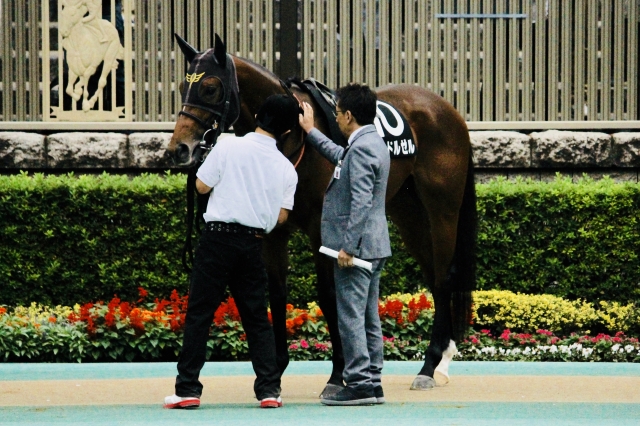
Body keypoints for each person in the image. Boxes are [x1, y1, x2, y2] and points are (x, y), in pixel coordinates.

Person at [164, 94, 299, 409]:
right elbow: (281, 217)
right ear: (288, 132)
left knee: (200, 314)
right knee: (256, 318)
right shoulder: (286, 168)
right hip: (253, 242)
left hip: (217, 239)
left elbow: (201, 186)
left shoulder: (226, 145)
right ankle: (269, 390)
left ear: (258, 116)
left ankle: (187, 390)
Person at [298, 83, 391, 406]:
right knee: (367, 316)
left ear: (349, 115)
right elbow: (342, 158)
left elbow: (361, 201)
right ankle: (373, 380)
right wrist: (311, 132)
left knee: (351, 316)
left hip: (359, 249)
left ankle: (360, 382)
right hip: (375, 245)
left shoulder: (362, 147)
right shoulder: (370, 143)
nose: (335, 119)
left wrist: (348, 247)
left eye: (337, 114)